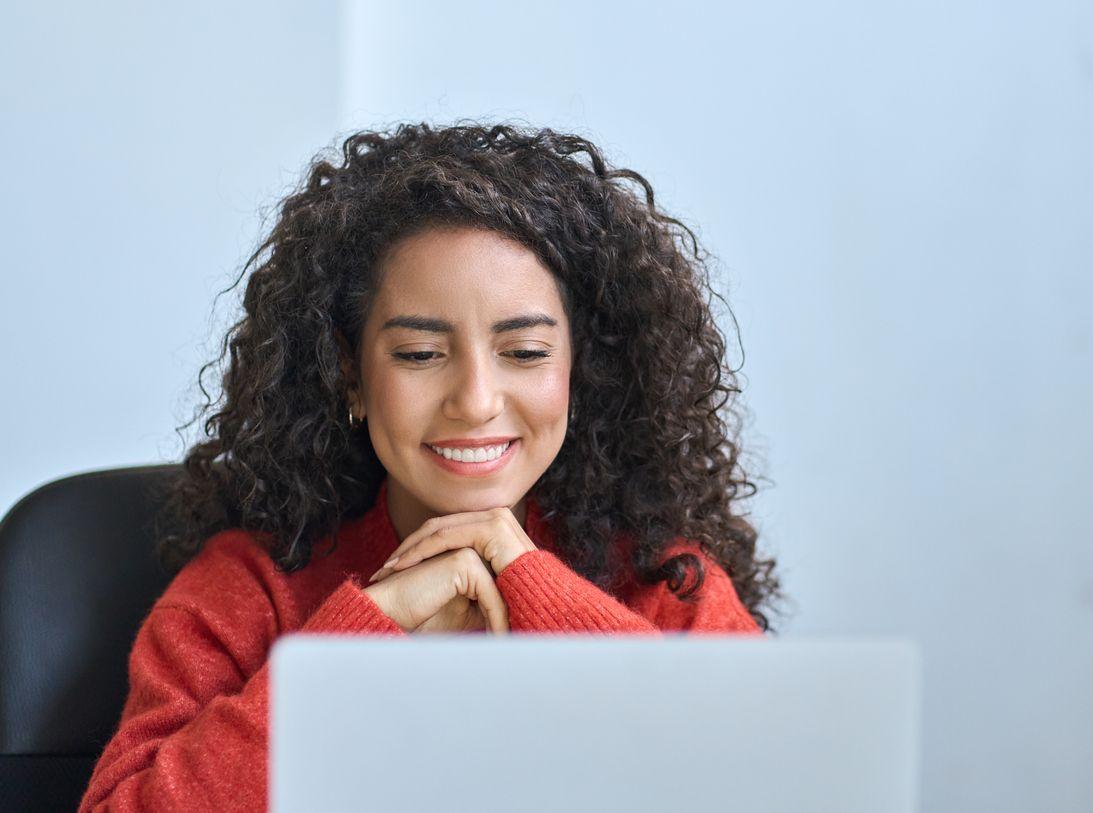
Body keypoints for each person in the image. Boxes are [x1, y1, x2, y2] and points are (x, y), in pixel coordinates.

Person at [78, 121, 785, 812]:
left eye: (526, 352)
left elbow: (774, 782)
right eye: (419, 354)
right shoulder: (249, 588)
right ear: (350, 374)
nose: (476, 402)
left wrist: (532, 583)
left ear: (581, 371)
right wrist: (367, 635)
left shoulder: (667, 581)